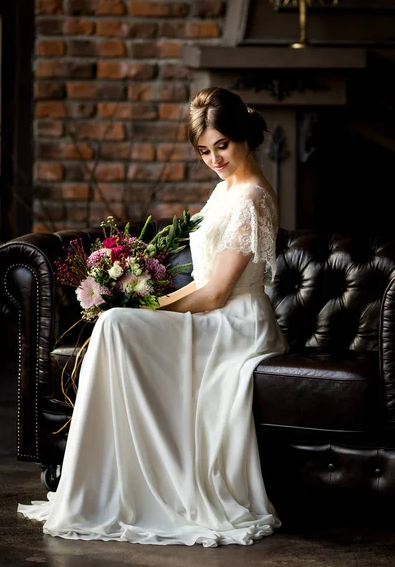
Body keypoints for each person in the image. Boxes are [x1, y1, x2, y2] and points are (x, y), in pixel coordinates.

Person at [17, 87, 288, 547]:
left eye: (222, 145)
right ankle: (104, 484)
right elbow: (201, 283)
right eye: (204, 150)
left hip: (235, 323)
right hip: (214, 313)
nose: (214, 158)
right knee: (115, 325)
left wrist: (149, 308)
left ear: (243, 136)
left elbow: (218, 291)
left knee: (117, 325)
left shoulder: (252, 198)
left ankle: (114, 485)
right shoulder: (226, 190)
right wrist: (143, 303)